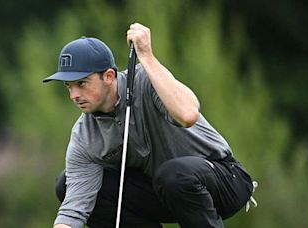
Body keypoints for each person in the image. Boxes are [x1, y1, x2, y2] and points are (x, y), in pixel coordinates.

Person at [43, 23, 255, 228]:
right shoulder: (84, 135)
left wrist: (147, 57)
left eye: (81, 83)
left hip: (224, 179)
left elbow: (188, 114)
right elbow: (73, 210)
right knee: (66, 184)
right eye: (68, 86)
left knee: (174, 174)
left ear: (108, 76)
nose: (74, 95)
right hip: (164, 192)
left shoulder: (146, 80)